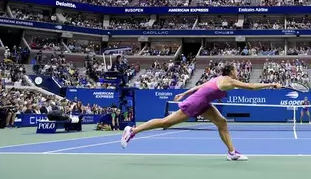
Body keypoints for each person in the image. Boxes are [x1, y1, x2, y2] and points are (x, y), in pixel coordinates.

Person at [120, 64, 281, 161]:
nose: (237, 72)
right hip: (196, 103)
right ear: (230, 72)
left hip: (203, 103)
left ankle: (232, 152)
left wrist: (184, 94)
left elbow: (199, 86)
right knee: (166, 123)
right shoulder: (229, 80)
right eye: (235, 70)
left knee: (222, 122)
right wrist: (272, 84)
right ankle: (132, 131)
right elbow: (251, 86)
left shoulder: (217, 79)